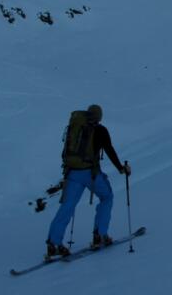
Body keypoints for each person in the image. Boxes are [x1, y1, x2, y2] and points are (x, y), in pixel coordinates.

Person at [45, 104, 131, 258]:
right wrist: (120, 168)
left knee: (68, 206)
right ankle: (100, 235)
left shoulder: (76, 127)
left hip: (72, 173)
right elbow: (109, 149)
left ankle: (54, 243)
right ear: (99, 117)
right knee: (107, 197)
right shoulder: (100, 130)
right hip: (90, 174)